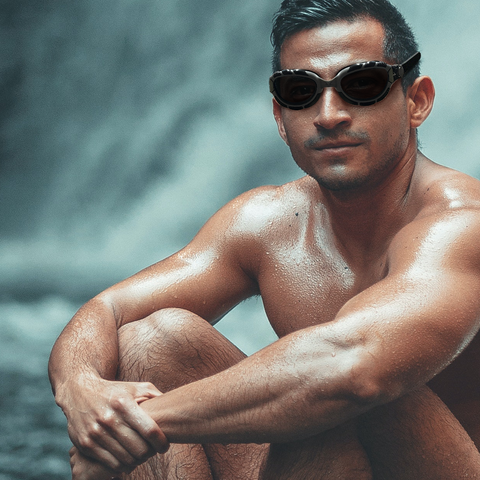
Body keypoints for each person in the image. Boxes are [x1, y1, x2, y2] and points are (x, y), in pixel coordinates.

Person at [49, 0, 480, 478]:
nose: (329, 114)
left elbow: (354, 364)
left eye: (361, 85)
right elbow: (106, 311)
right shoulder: (267, 221)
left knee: (342, 387)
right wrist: (80, 389)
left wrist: (134, 427)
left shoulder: (462, 224)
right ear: (280, 116)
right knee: (153, 337)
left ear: (416, 100)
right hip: (318, 465)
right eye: (302, 91)